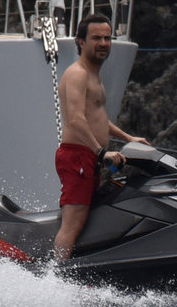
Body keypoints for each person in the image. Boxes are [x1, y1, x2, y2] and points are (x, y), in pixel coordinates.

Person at [54, 13, 149, 260]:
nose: (103, 43)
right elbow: (76, 119)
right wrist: (101, 152)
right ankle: (58, 274)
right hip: (78, 157)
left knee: (87, 217)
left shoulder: (93, 74)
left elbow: (98, 117)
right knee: (74, 221)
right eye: (96, 38)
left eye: (107, 38)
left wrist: (128, 138)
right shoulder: (78, 74)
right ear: (81, 42)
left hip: (91, 157)